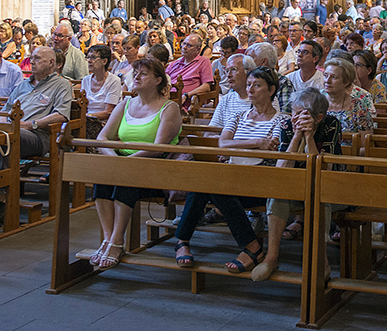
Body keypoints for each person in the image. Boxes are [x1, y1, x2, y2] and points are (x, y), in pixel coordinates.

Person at [173, 66, 282, 273]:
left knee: (208, 184)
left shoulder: (281, 120)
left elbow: (271, 150)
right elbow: (222, 144)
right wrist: (257, 142)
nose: (250, 89)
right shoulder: (240, 116)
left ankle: (182, 240)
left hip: (261, 183)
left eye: (257, 85)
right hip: (232, 177)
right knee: (205, 183)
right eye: (249, 84)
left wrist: (240, 145)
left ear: (271, 90)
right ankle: (250, 246)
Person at [91, 58, 183, 269]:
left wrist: (127, 162)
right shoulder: (126, 104)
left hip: (155, 168)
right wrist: (114, 158)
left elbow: (158, 147)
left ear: (158, 80)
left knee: (126, 178)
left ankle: (117, 241)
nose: (137, 77)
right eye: (136, 73)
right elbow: (102, 138)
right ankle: (108, 238)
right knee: (101, 176)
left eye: (144, 73)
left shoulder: (169, 108)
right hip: (123, 164)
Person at [250, 88, 342, 281]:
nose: (295, 119)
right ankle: (271, 258)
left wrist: (309, 137)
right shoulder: (286, 125)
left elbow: (322, 171)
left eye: (301, 115)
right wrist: (296, 136)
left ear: (318, 117)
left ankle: (321, 260)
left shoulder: (331, 125)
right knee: (277, 195)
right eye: (294, 113)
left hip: (330, 189)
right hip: (296, 187)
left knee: (319, 197)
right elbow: (282, 169)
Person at [1, 46, 74, 161]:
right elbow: (4, 111)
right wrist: (2, 125)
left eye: (37, 58)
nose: (32, 62)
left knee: (8, 136)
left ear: (51, 63)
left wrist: (31, 125)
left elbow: (61, 115)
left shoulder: (61, 85)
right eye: (31, 58)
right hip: (12, 129)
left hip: (37, 135)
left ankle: (5, 176)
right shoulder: (23, 84)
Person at [320, 57, 376, 138]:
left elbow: (365, 145)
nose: (327, 80)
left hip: (349, 150)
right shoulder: (316, 100)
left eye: (334, 77)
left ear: (346, 82)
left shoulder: (358, 106)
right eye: (325, 75)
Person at [207, 53, 256, 130]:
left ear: (249, 72)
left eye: (234, 69)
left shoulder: (264, 99)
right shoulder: (226, 99)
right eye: (227, 71)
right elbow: (211, 131)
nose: (228, 75)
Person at [82, 44, 123, 124]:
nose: (89, 61)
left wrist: (87, 116)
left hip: (105, 123)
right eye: (88, 57)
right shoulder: (85, 80)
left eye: (93, 57)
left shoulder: (114, 81)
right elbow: (83, 106)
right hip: (86, 120)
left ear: (104, 61)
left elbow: (108, 112)